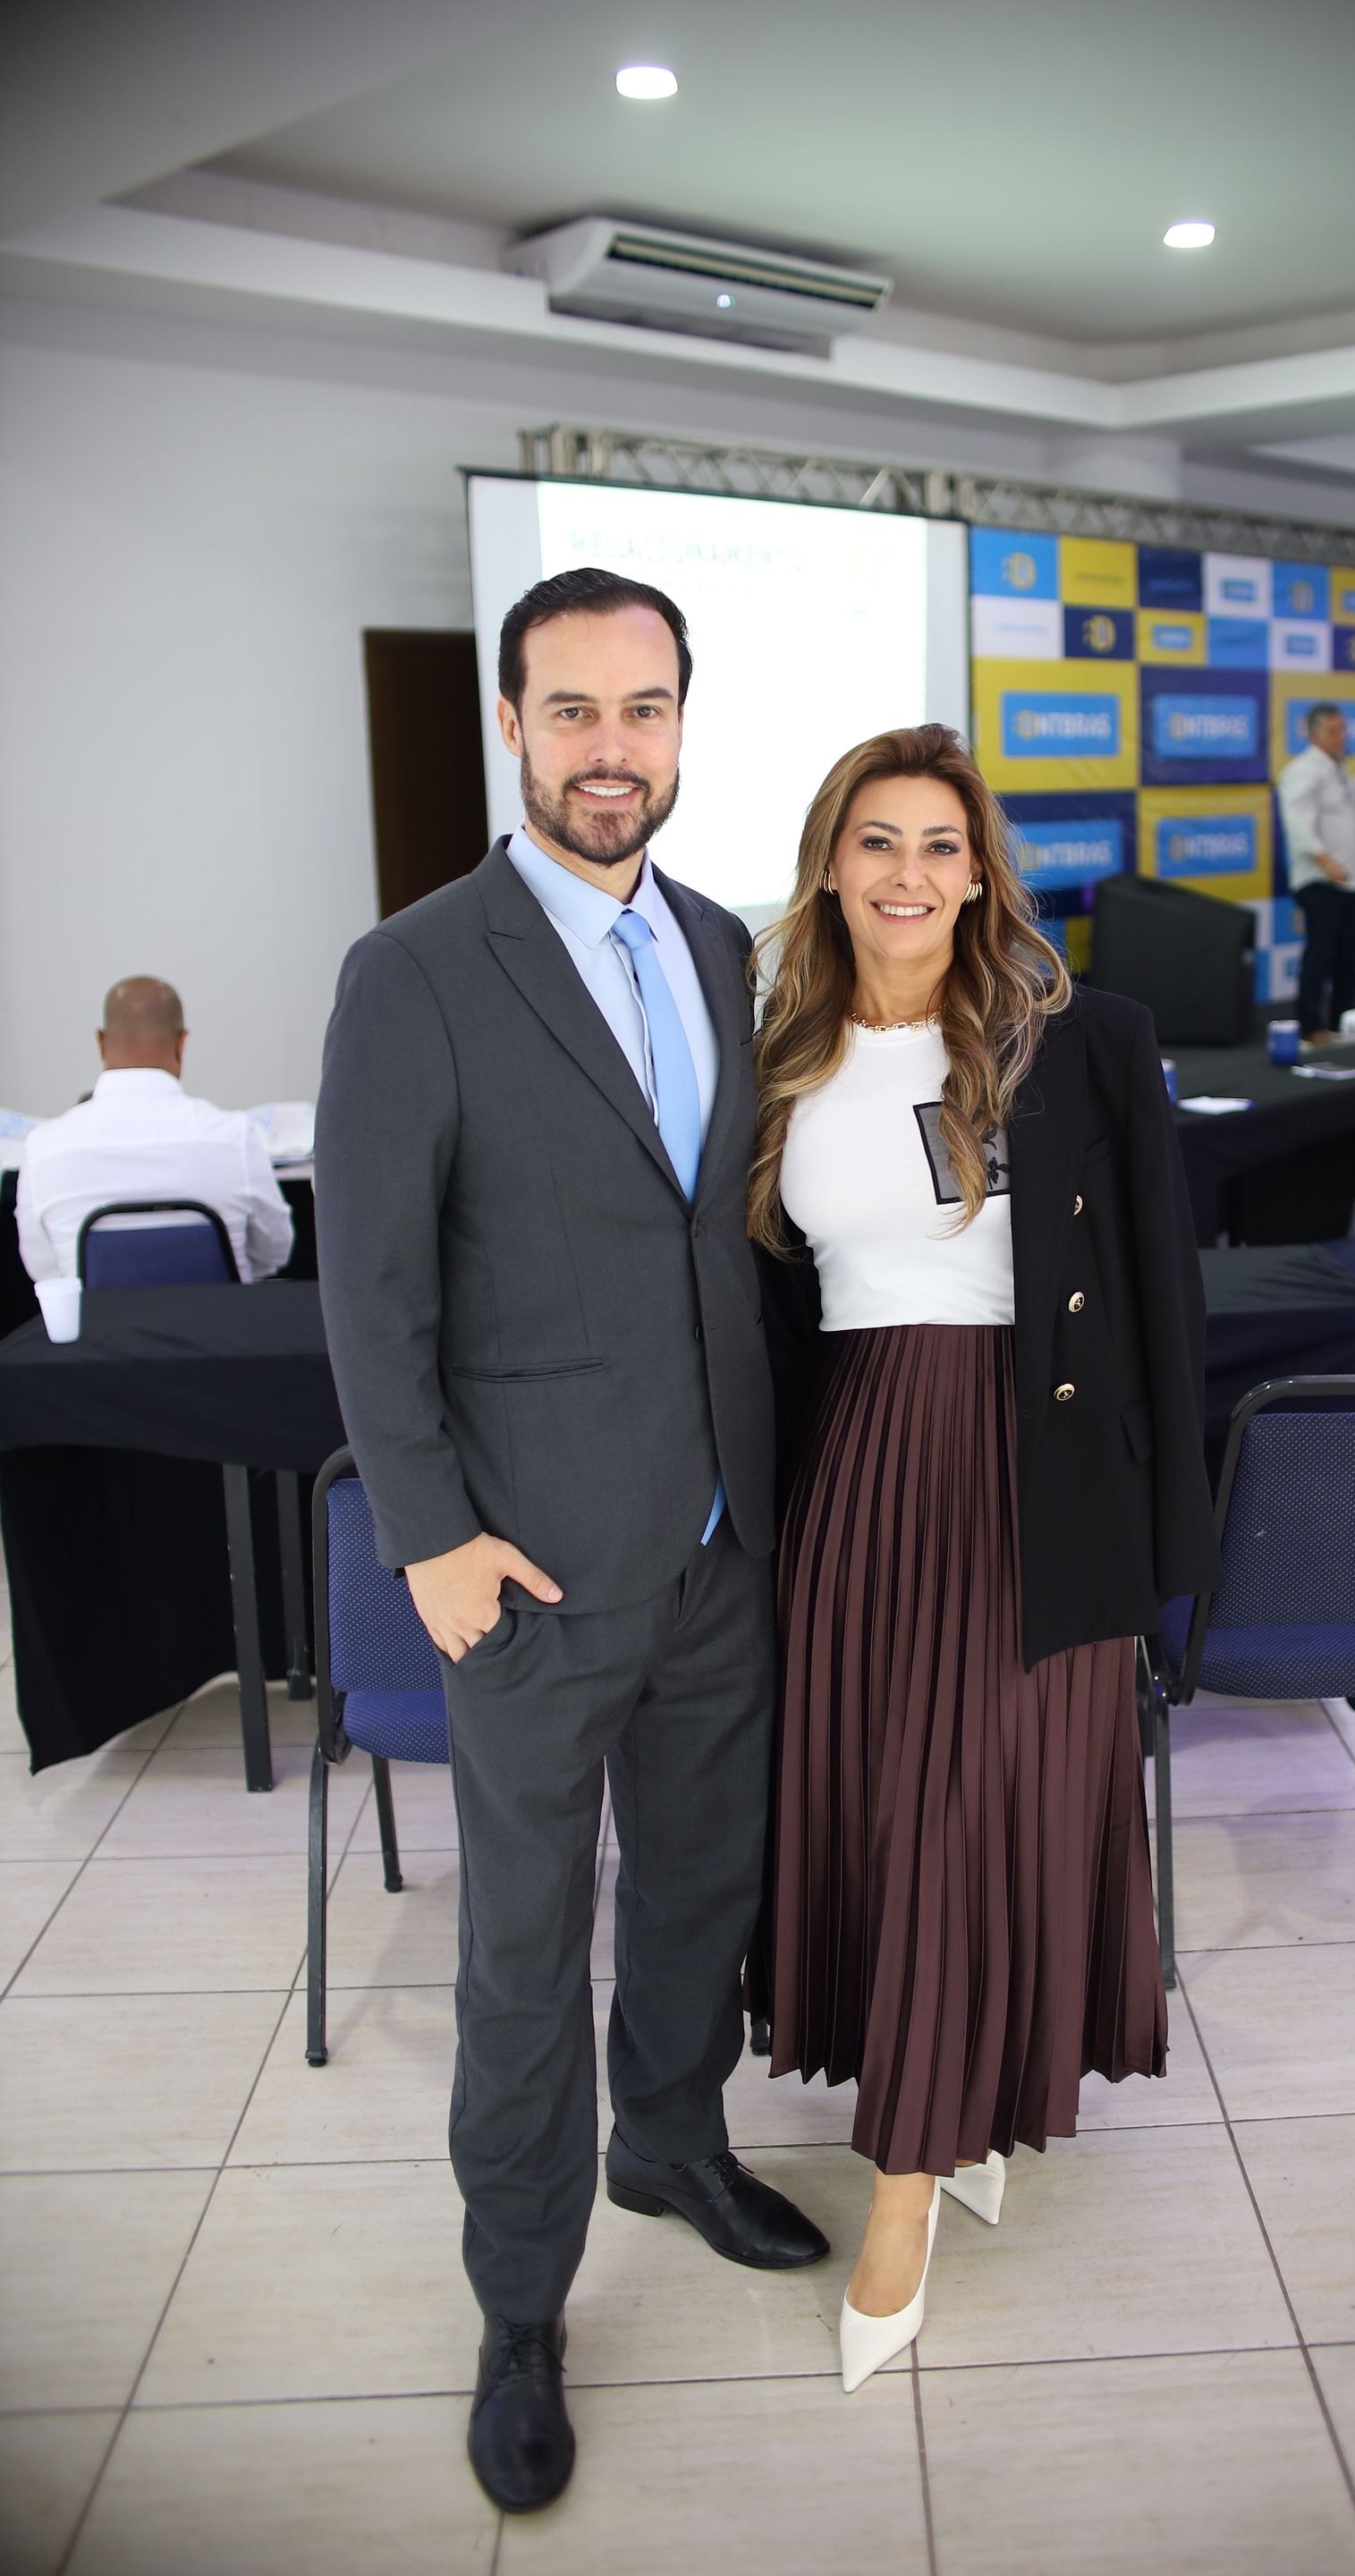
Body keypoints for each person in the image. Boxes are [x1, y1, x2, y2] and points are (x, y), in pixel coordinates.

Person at [316, 567, 827, 2518]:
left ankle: (673, 2145)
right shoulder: (418, 969)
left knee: (700, 1886)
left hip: (717, 1543)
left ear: (684, 725)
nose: (616, 747)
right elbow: (369, 1292)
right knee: (524, 1954)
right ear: (514, 728)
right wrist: (431, 1537)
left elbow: (727, 1242)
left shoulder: (718, 945)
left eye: (648, 709)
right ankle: (518, 2303)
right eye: (576, 711)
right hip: (522, 1569)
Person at [749, 724, 1222, 2393]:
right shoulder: (778, 1056)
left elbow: (1163, 1301)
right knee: (894, 1809)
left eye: (941, 846)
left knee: (972, 1810)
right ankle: (971, 2110)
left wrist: (1170, 1556)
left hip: (1034, 1478)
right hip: (856, 1469)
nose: (908, 875)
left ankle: (905, 2184)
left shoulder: (1077, 1044)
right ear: (830, 863)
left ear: (982, 869)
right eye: (877, 841)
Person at [15, 976, 294, 1283]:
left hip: (102, 1330)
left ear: (100, 1042)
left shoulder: (44, 1147)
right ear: (181, 1043)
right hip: (219, 1328)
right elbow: (274, 1252)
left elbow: (44, 1271)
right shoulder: (234, 1137)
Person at [1277, 704, 1355, 1041]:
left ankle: (1341, 1022)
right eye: (1333, 731)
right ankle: (1311, 1025)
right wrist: (1323, 858)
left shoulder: (1337, 769)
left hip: (1349, 880)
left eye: (1343, 730)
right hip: (1320, 880)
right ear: (1313, 734)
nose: (1341, 737)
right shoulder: (1303, 770)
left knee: (1348, 955)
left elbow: (1353, 793)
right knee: (1321, 954)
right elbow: (1297, 820)